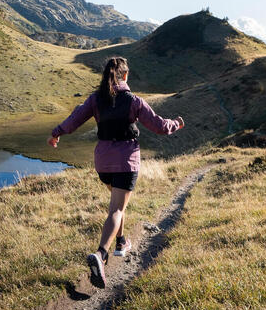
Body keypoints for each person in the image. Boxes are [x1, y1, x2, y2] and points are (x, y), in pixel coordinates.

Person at [47, 56, 184, 288]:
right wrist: (177, 123)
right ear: (125, 75)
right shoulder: (133, 101)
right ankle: (100, 254)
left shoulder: (96, 99)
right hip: (125, 162)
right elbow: (160, 126)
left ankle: (121, 241)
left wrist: (56, 133)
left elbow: (75, 119)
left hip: (103, 163)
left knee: (118, 204)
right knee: (117, 209)